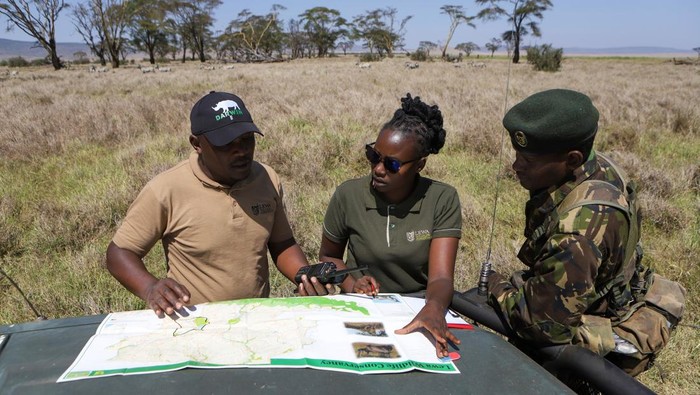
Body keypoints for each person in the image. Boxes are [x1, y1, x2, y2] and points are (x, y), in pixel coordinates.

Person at [485, 88, 684, 376]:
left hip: (596, 323)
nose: (515, 166)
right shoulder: (599, 166)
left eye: (528, 161)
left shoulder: (579, 231)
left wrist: (495, 287)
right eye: (517, 154)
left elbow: (542, 326)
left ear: (573, 158)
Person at [106, 91, 333, 317]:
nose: (241, 151)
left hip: (256, 319)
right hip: (194, 321)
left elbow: (282, 243)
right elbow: (120, 253)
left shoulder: (266, 178)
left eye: (247, 139)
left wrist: (305, 276)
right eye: (226, 144)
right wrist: (150, 287)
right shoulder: (166, 189)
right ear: (197, 144)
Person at [319, 93, 463, 358]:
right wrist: (353, 286)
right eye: (374, 156)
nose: (378, 169)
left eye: (392, 164)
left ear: (420, 164)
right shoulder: (348, 195)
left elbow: (441, 277)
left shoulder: (441, 199)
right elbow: (329, 257)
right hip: (362, 309)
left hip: (418, 306)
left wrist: (432, 309)